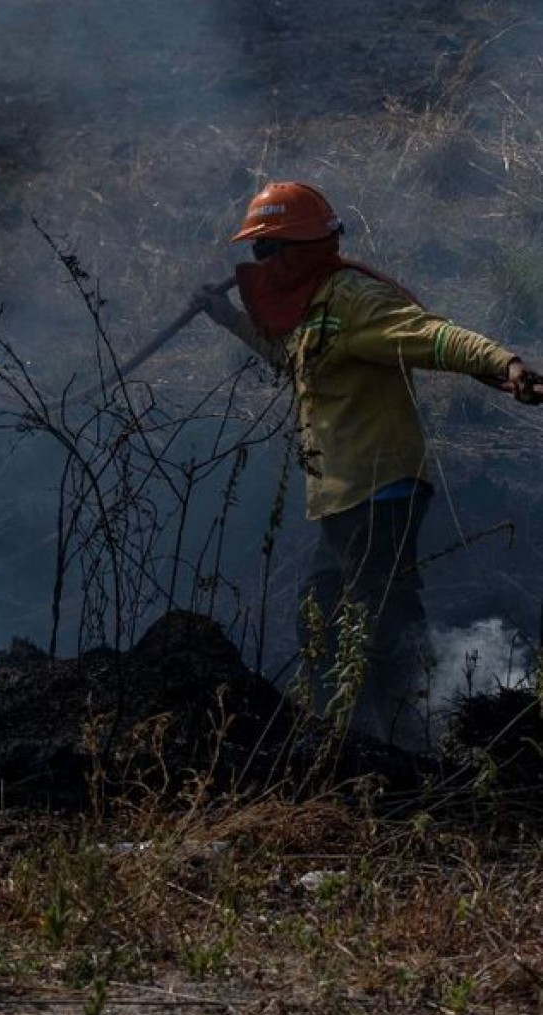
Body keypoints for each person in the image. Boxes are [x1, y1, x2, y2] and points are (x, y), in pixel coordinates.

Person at [193, 180, 541, 742]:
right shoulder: (313, 308)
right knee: (324, 616)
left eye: (264, 250)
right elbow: (294, 360)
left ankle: (417, 737)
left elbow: (430, 335)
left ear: (294, 250)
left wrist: (506, 363)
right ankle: (344, 739)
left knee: (382, 617)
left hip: (380, 489)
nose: (257, 263)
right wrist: (227, 317)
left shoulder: (353, 298)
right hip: (341, 495)